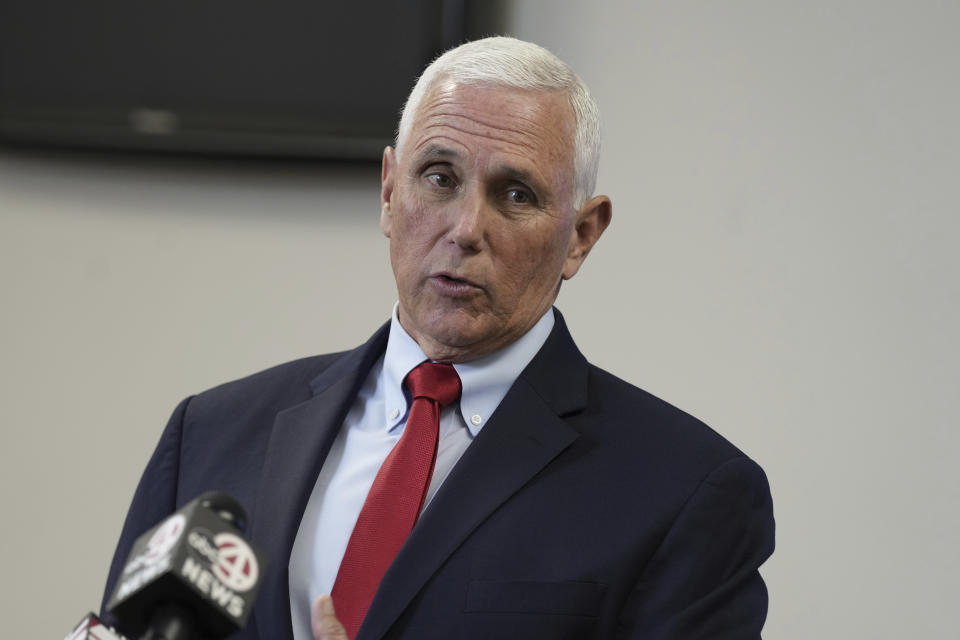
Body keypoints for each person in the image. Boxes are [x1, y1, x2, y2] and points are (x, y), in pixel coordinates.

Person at [101, 36, 774, 640]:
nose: (465, 228)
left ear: (581, 235)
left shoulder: (685, 494)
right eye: (440, 178)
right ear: (390, 193)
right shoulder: (212, 433)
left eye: (515, 194)